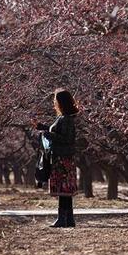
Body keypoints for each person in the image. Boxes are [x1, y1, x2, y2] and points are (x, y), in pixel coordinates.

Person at [33, 88, 79, 228]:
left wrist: (48, 135)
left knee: (63, 189)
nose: (54, 103)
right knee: (65, 190)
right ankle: (69, 219)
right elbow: (58, 132)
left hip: (62, 158)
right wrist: (43, 127)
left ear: (61, 102)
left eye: (56, 101)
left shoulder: (66, 119)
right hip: (62, 157)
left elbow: (67, 138)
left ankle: (62, 219)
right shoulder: (63, 118)